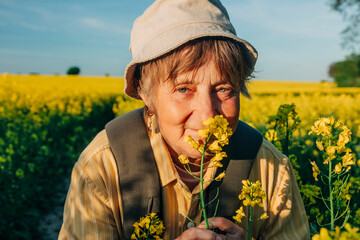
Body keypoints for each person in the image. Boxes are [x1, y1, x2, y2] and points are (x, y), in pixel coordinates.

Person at [58, 0, 310, 239]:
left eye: (224, 89)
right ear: (146, 94)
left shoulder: (271, 168)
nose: (208, 115)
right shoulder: (102, 167)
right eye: (183, 89)